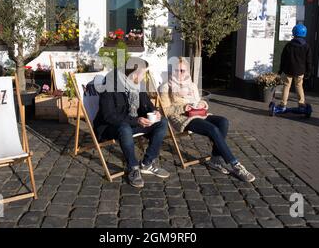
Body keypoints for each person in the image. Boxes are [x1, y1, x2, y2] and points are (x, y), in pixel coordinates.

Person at [159, 57, 255, 183]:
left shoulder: (191, 85)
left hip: (198, 113)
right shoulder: (166, 87)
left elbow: (198, 101)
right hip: (182, 118)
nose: (180, 73)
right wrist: (183, 107)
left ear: (187, 71)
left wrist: (202, 104)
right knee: (212, 129)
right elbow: (165, 111)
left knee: (223, 122)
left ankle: (215, 159)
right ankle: (235, 165)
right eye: (177, 70)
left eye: (183, 70)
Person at [94, 58, 170, 188]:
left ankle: (147, 163)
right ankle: (133, 167)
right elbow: (109, 116)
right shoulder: (110, 85)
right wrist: (136, 120)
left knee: (162, 122)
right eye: (143, 73)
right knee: (125, 128)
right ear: (134, 73)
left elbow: (147, 104)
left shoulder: (137, 85)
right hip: (110, 127)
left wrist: (154, 111)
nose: (144, 76)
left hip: (133, 123)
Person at [278, 24, 313, 110]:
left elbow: (283, 58)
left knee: (286, 86)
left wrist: (281, 69)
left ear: (294, 33)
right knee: (299, 86)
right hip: (300, 71)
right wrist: (308, 71)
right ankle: (301, 103)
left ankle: (283, 104)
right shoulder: (306, 46)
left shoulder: (289, 45)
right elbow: (309, 61)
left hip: (288, 69)